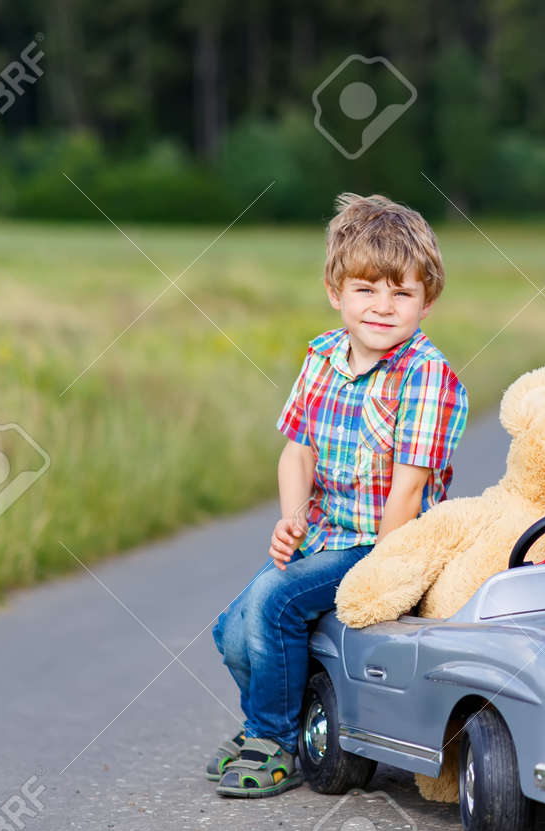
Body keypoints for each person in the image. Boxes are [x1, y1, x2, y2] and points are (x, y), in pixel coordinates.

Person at [208, 192, 469, 797]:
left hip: (381, 545)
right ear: (336, 291)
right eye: (366, 290)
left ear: (426, 300)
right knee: (232, 631)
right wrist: (291, 519)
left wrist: (385, 574)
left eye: (401, 293)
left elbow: (407, 498)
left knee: (274, 601)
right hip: (324, 535)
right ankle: (278, 723)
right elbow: (297, 449)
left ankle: (271, 741)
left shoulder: (427, 376)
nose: (382, 308)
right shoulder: (322, 356)